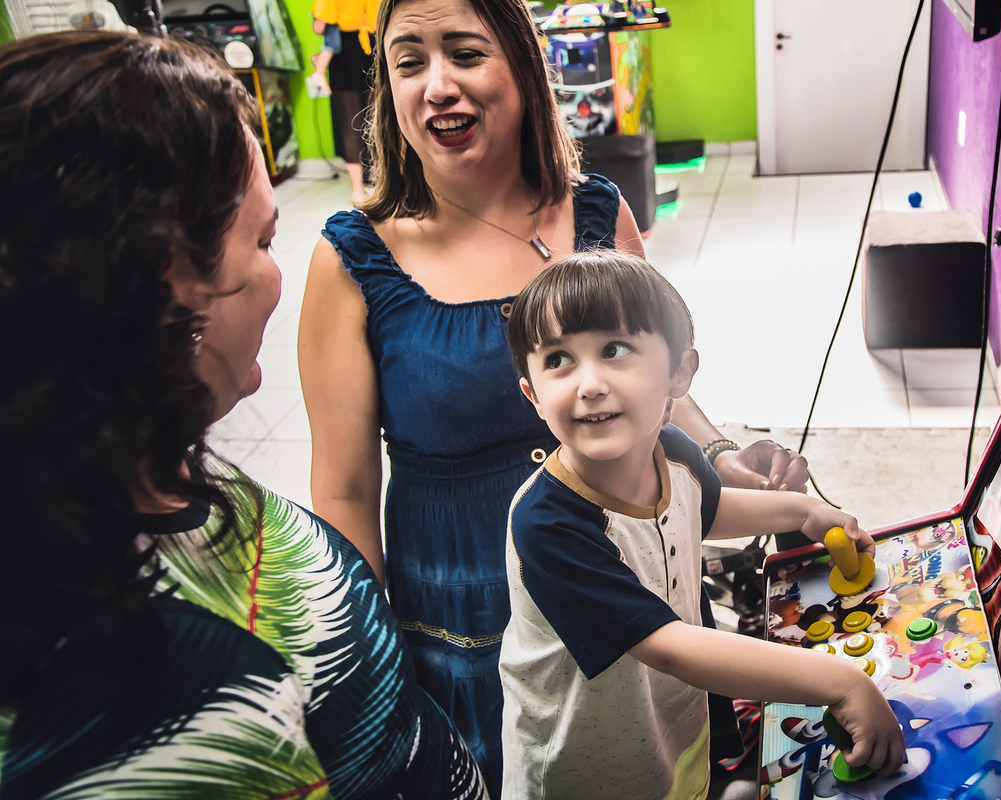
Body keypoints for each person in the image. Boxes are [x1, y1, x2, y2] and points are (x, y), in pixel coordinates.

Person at [298, 0, 810, 790]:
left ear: (522, 68)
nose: (437, 86)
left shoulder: (597, 211)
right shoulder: (354, 259)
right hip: (465, 620)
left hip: (631, 575)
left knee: (660, 758)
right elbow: (344, 488)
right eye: (409, 62)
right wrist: (369, 666)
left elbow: (659, 386)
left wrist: (720, 454)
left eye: (465, 54)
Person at [0, 31, 486, 799]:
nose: (276, 273)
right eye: (261, 240)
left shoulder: (123, 471)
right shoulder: (181, 689)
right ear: (170, 283)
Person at [499, 252, 904, 798]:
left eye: (614, 350)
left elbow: (706, 511)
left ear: (679, 374)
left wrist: (802, 512)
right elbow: (666, 645)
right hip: (585, 771)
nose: (588, 384)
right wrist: (842, 684)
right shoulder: (547, 523)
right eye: (558, 361)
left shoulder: (674, 452)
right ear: (532, 395)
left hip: (670, 729)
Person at [310, 0, 378, 198]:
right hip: (365, 50)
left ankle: (361, 189)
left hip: (351, 53)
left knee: (355, 126)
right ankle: (372, 185)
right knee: (374, 124)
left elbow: (319, 26)